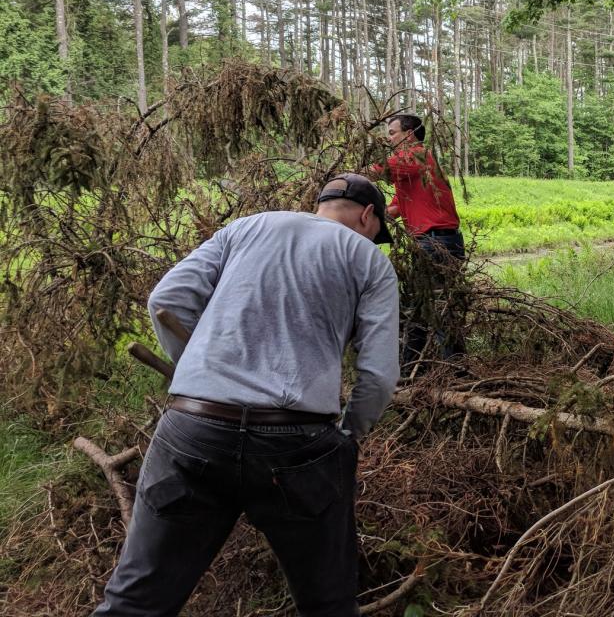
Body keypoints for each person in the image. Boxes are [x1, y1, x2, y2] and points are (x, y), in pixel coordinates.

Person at [93, 173, 401, 617]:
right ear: (368, 216)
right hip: (297, 444)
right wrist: (350, 435)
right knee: (328, 606)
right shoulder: (367, 258)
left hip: (193, 430)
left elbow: (166, 300)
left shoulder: (246, 227)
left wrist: (198, 371)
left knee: (134, 603)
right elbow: (379, 373)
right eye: (376, 233)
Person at [375, 113, 466, 372]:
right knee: (418, 306)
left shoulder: (416, 155)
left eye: (392, 133)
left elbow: (377, 170)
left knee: (437, 308)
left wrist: (340, 181)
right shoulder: (413, 171)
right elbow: (394, 209)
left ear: (409, 134)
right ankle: (412, 370)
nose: (388, 138)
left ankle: (455, 373)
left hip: (435, 242)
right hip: (433, 242)